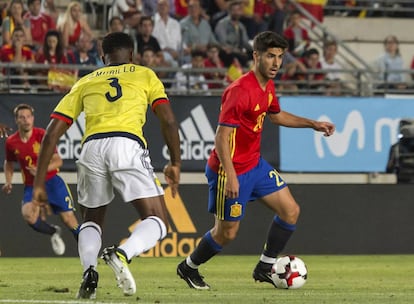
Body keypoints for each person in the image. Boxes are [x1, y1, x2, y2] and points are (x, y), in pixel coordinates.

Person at [176, 31, 335, 290]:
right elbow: (221, 137)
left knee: (291, 210)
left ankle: (265, 266)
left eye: (280, 57)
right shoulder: (239, 91)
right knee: (226, 233)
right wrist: (230, 175)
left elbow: (276, 115)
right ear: (256, 56)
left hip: (255, 165)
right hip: (229, 170)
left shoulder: (267, 85)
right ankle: (188, 267)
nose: (276, 63)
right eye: (270, 56)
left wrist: (313, 124)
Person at [31, 32, 181, 300]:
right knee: (157, 220)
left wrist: (39, 183)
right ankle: (122, 253)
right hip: (127, 144)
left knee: (92, 220)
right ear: (132, 55)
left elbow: (52, 133)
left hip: (91, 148)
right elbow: (168, 121)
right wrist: (175, 162)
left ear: (102, 57)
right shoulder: (145, 74)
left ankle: (89, 272)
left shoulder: (86, 81)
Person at [2, 104, 80, 256]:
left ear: (33, 118)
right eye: (22, 117)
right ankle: (53, 232)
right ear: (16, 120)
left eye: (29, 116)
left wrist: (41, 169)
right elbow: (9, 162)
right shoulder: (11, 142)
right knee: (28, 216)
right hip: (32, 185)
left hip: (52, 182)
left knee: (69, 220)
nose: (26, 120)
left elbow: (58, 161)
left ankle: (88, 251)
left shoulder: (42, 135)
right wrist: (8, 181)